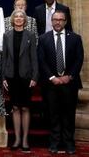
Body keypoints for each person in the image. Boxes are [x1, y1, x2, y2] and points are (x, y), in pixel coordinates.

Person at [37, 10, 83, 155]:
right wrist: (52, 77)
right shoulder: (43, 38)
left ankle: (69, 143)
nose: (58, 22)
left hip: (70, 84)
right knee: (53, 114)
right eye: (55, 19)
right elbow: (41, 60)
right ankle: (54, 143)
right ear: (51, 21)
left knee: (69, 114)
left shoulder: (75, 38)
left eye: (61, 20)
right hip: (51, 84)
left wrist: (69, 76)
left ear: (65, 22)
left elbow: (79, 59)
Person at [2, 10, 38, 152]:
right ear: (12, 19)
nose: (18, 18)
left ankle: (25, 140)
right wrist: (4, 77)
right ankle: (17, 139)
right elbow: (4, 57)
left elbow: (34, 58)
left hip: (26, 77)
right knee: (15, 107)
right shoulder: (7, 35)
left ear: (25, 20)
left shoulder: (30, 35)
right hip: (12, 77)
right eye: (16, 16)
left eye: (21, 17)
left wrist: (35, 77)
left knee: (25, 107)